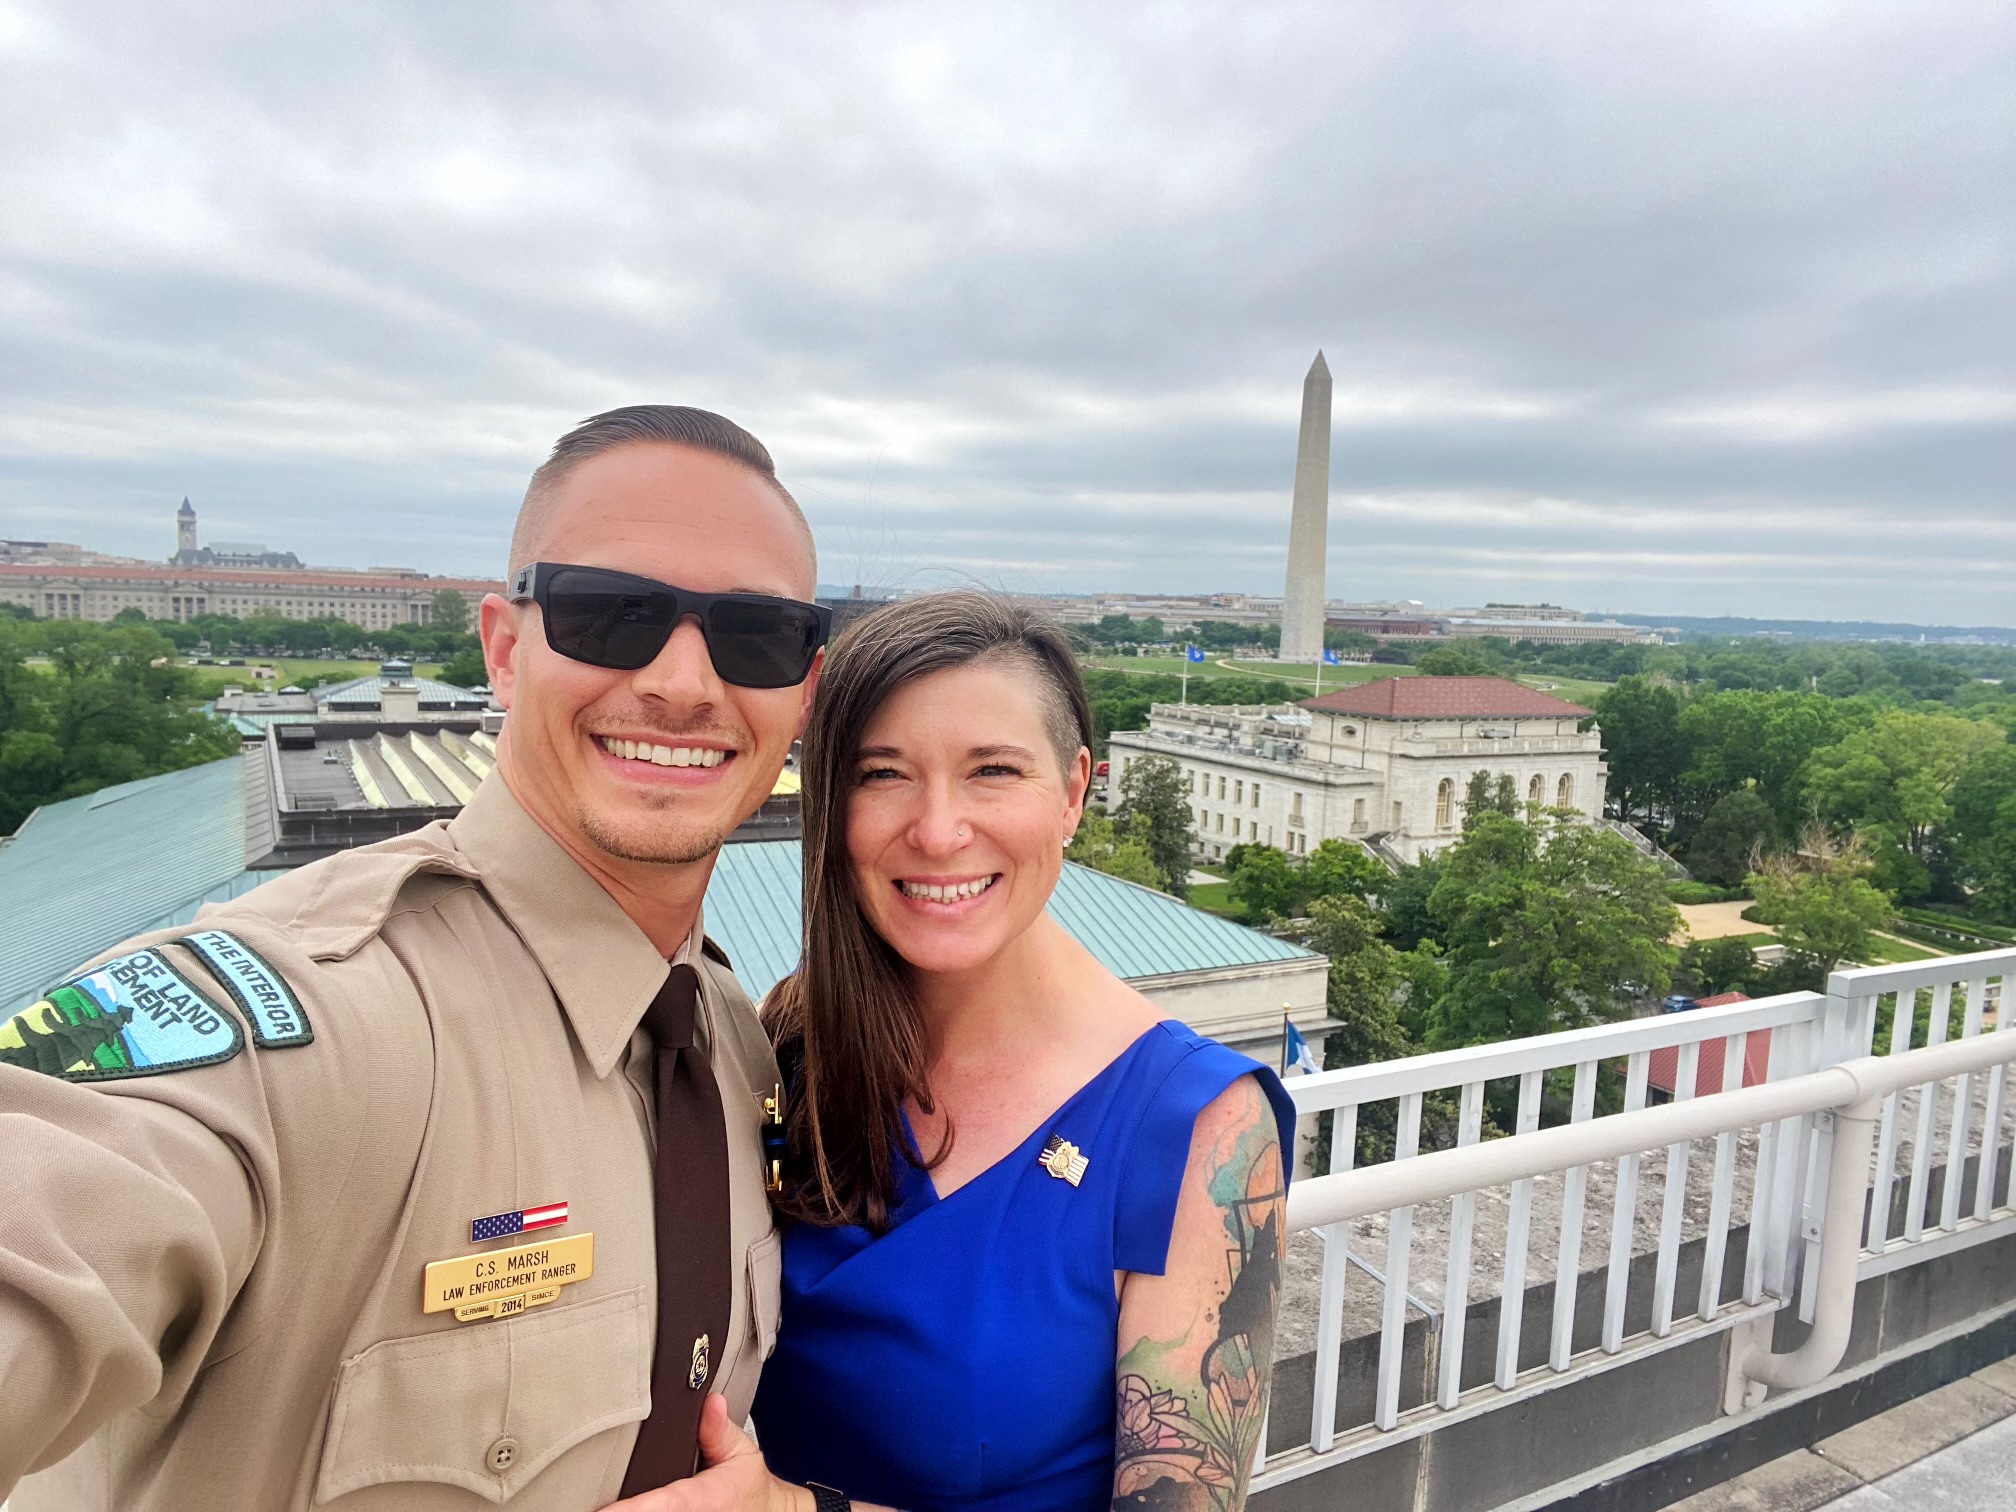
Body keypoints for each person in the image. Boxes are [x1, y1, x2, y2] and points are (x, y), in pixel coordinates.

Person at [0, 405, 828, 1510]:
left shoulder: (731, 1037)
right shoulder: (305, 1015)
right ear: (502, 648)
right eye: (611, 614)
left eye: (755, 635)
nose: (684, 681)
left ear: (803, 691)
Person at [639, 591, 1294, 1512]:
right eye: (883, 774)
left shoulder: (1200, 1129)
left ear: (1073, 790)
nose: (939, 831)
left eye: (992, 770)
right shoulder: (796, 1040)